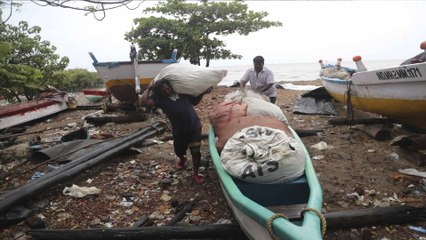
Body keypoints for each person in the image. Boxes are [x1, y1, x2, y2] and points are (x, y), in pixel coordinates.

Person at [139, 79, 211, 185]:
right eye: (164, 91)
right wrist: (149, 88)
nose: (167, 91)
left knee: (195, 150)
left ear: (171, 86)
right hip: (179, 129)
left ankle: (195, 174)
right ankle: (182, 159)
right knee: (179, 150)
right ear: (160, 92)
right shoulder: (158, 98)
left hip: (194, 125)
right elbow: (143, 103)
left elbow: (194, 102)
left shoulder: (181, 92)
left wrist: (203, 92)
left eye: (168, 88)